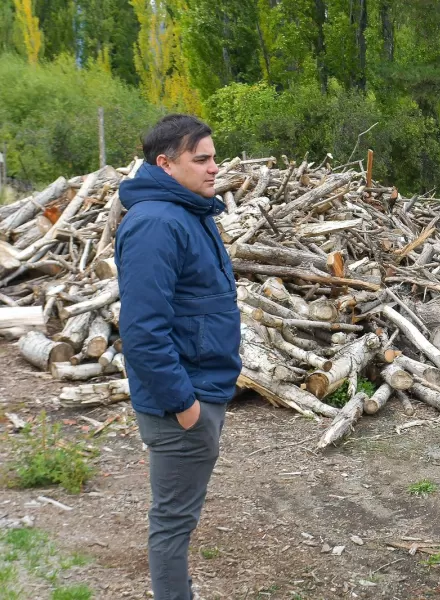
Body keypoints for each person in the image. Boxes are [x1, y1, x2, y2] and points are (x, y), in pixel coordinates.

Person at [115, 114, 242, 600]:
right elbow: (143, 332)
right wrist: (184, 406)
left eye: (214, 157)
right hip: (181, 403)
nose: (214, 168)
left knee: (178, 517)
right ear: (165, 164)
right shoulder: (155, 223)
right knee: (171, 522)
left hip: (201, 388)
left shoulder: (187, 212)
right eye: (201, 159)